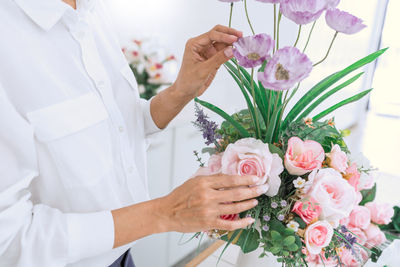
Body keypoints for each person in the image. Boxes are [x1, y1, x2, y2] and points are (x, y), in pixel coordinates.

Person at [0, 0, 270, 266]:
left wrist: (180, 92)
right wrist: (165, 213)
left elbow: (118, 125)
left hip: (124, 257)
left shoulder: (90, 11)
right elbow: (9, 243)